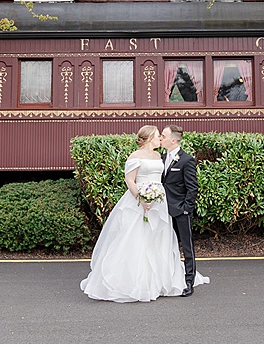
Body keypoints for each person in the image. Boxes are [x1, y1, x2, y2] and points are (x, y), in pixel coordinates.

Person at [80, 125, 205, 302]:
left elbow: (184, 184)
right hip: (140, 203)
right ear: (148, 139)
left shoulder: (162, 157)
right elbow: (129, 180)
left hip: (161, 205)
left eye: (162, 136)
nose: (160, 138)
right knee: (138, 239)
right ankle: (136, 281)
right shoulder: (137, 156)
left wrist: (184, 206)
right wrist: (142, 198)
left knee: (161, 240)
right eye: (157, 136)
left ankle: (175, 280)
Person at [160, 124, 205, 296]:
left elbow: (192, 187)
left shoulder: (186, 160)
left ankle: (188, 282)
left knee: (187, 247)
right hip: (162, 211)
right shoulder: (161, 158)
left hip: (180, 211)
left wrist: (186, 209)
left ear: (173, 139)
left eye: (163, 136)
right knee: (165, 246)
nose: (160, 138)